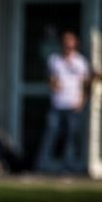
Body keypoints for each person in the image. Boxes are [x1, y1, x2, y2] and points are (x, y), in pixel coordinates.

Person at [36, 31, 90, 174]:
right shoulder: (55, 60)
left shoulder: (81, 61)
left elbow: (86, 85)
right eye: (65, 42)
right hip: (57, 104)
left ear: (75, 44)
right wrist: (54, 84)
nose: (68, 46)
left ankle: (69, 167)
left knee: (71, 137)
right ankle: (42, 165)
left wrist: (82, 102)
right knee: (51, 133)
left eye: (70, 42)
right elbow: (51, 79)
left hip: (73, 105)